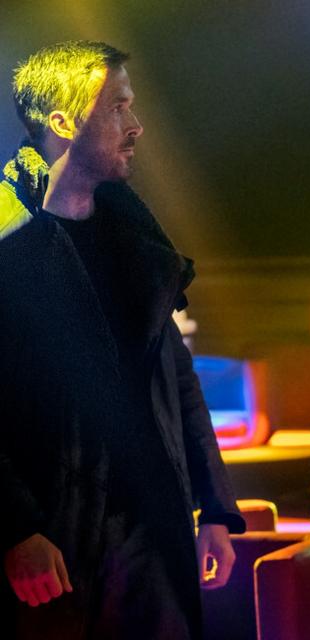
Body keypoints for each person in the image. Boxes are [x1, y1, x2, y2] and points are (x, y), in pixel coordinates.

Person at [0, 41, 245, 639]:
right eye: (116, 107)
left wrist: (214, 507)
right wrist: (15, 529)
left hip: (150, 537)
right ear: (63, 122)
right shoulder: (9, 243)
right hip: (54, 541)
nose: (135, 126)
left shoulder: (135, 241)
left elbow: (176, 377)